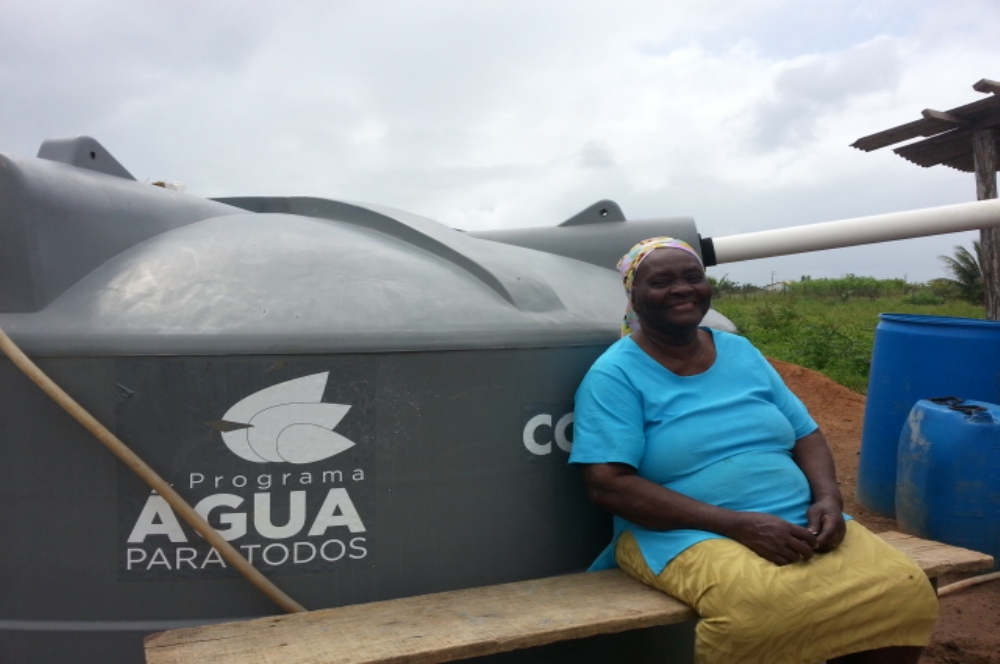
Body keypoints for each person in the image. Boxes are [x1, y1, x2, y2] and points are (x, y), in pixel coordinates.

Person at [569, 237, 938, 664]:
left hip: (795, 515)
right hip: (678, 534)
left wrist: (828, 498)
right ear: (633, 294)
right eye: (661, 281)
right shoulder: (615, 374)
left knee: (904, 587)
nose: (682, 288)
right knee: (760, 609)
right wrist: (738, 525)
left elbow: (806, 434)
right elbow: (607, 486)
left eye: (693, 277)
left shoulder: (739, 351)